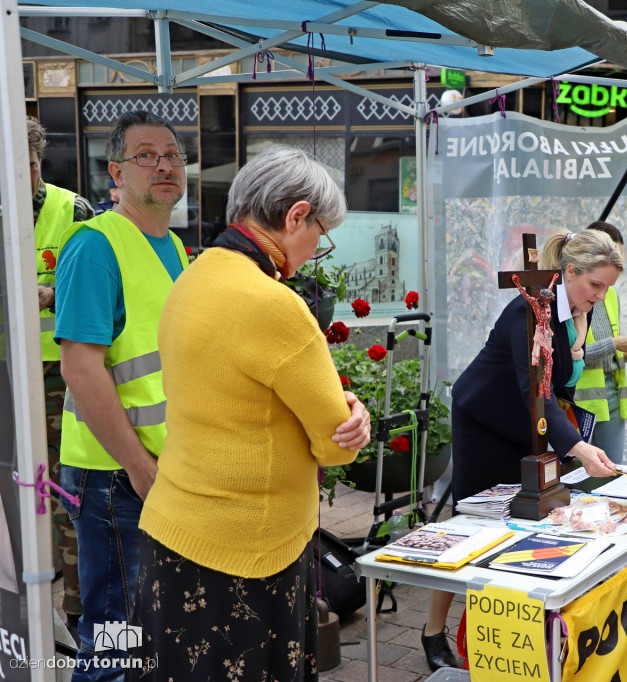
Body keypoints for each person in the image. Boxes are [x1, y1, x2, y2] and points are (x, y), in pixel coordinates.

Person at [129, 147, 371, 680]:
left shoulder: (193, 277)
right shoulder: (274, 304)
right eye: (320, 236)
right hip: (247, 551)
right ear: (295, 216)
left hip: (177, 531)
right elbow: (335, 441)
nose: (316, 250)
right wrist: (355, 410)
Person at [421, 229, 621, 670]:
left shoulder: (575, 312)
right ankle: (433, 628)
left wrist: (570, 442)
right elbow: (539, 390)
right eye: (595, 286)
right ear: (570, 272)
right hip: (484, 424)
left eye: (608, 288)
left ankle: (503, 630)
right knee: (472, 524)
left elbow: (561, 388)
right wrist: (579, 448)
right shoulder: (528, 312)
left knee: (526, 524)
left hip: (528, 429)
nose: (602, 296)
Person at [55, 110, 192, 682]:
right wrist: (139, 468)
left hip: (156, 470)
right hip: (117, 477)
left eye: (174, 155)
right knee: (116, 645)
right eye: (146, 155)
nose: (164, 164)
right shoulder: (95, 246)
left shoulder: (175, 248)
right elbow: (81, 369)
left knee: (150, 635)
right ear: (116, 171)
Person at [27, 116, 92, 636]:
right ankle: (25, 613)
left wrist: (52, 296)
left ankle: (77, 609)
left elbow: (95, 294)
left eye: (26, 166)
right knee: (19, 500)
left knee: (67, 494)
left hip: (60, 375)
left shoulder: (72, 211)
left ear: (38, 162)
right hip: (10, 372)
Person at [577, 221, 627, 463]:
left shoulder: (611, 294)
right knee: (576, 478)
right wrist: (615, 345)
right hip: (579, 403)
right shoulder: (571, 294)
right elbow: (568, 355)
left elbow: (607, 345)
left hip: (613, 399)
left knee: (611, 475)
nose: (619, 262)